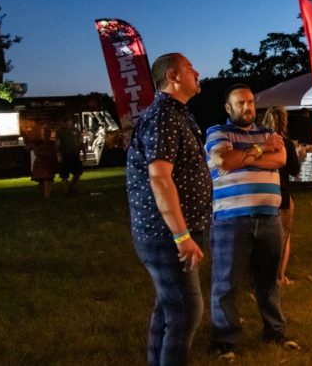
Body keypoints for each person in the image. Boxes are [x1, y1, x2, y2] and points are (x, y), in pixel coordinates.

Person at [125, 52, 213, 365]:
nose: (197, 72)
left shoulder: (176, 113)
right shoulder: (163, 115)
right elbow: (159, 178)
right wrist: (181, 236)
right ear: (174, 76)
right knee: (187, 310)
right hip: (166, 235)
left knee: (168, 308)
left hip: (174, 231)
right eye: (190, 68)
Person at [205, 84, 299, 358]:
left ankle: (275, 331)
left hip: (269, 219)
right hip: (231, 219)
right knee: (226, 282)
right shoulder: (217, 132)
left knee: (268, 281)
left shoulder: (269, 133)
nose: (247, 108)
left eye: (250, 102)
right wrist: (259, 150)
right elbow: (223, 160)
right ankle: (225, 340)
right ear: (228, 108)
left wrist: (244, 157)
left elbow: (280, 159)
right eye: (240, 103)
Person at [262, 106, 301, 285]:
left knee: (263, 237)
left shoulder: (258, 143)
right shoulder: (285, 143)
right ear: (284, 121)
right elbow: (294, 169)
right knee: (284, 236)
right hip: (282, 194)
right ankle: (279, 277)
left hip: (261, 194)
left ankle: (261, 274)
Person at [56, 116, 84, 195]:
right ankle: (66, 191)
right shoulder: (60, 132)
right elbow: (57, 143)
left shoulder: (76, 130)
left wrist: (83, 151)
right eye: (66, 121)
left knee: (78, 172)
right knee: (64, 174)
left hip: (75, 154)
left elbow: (80, 141)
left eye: (69, 121)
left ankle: (72, 187)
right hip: (65, 154)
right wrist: (58, 153)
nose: (68, 123)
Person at [31, 127, 58, 198]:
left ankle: (47, 195)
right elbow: (37, 152)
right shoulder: (38, 143)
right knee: (41, 181)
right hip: (40, 164)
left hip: (48, 164)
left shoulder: (52, 143)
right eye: (45, 133)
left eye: (48, 133)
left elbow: (54, 152)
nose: (47, 135)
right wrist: (47, 153)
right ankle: (45, 194)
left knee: (47, 179)